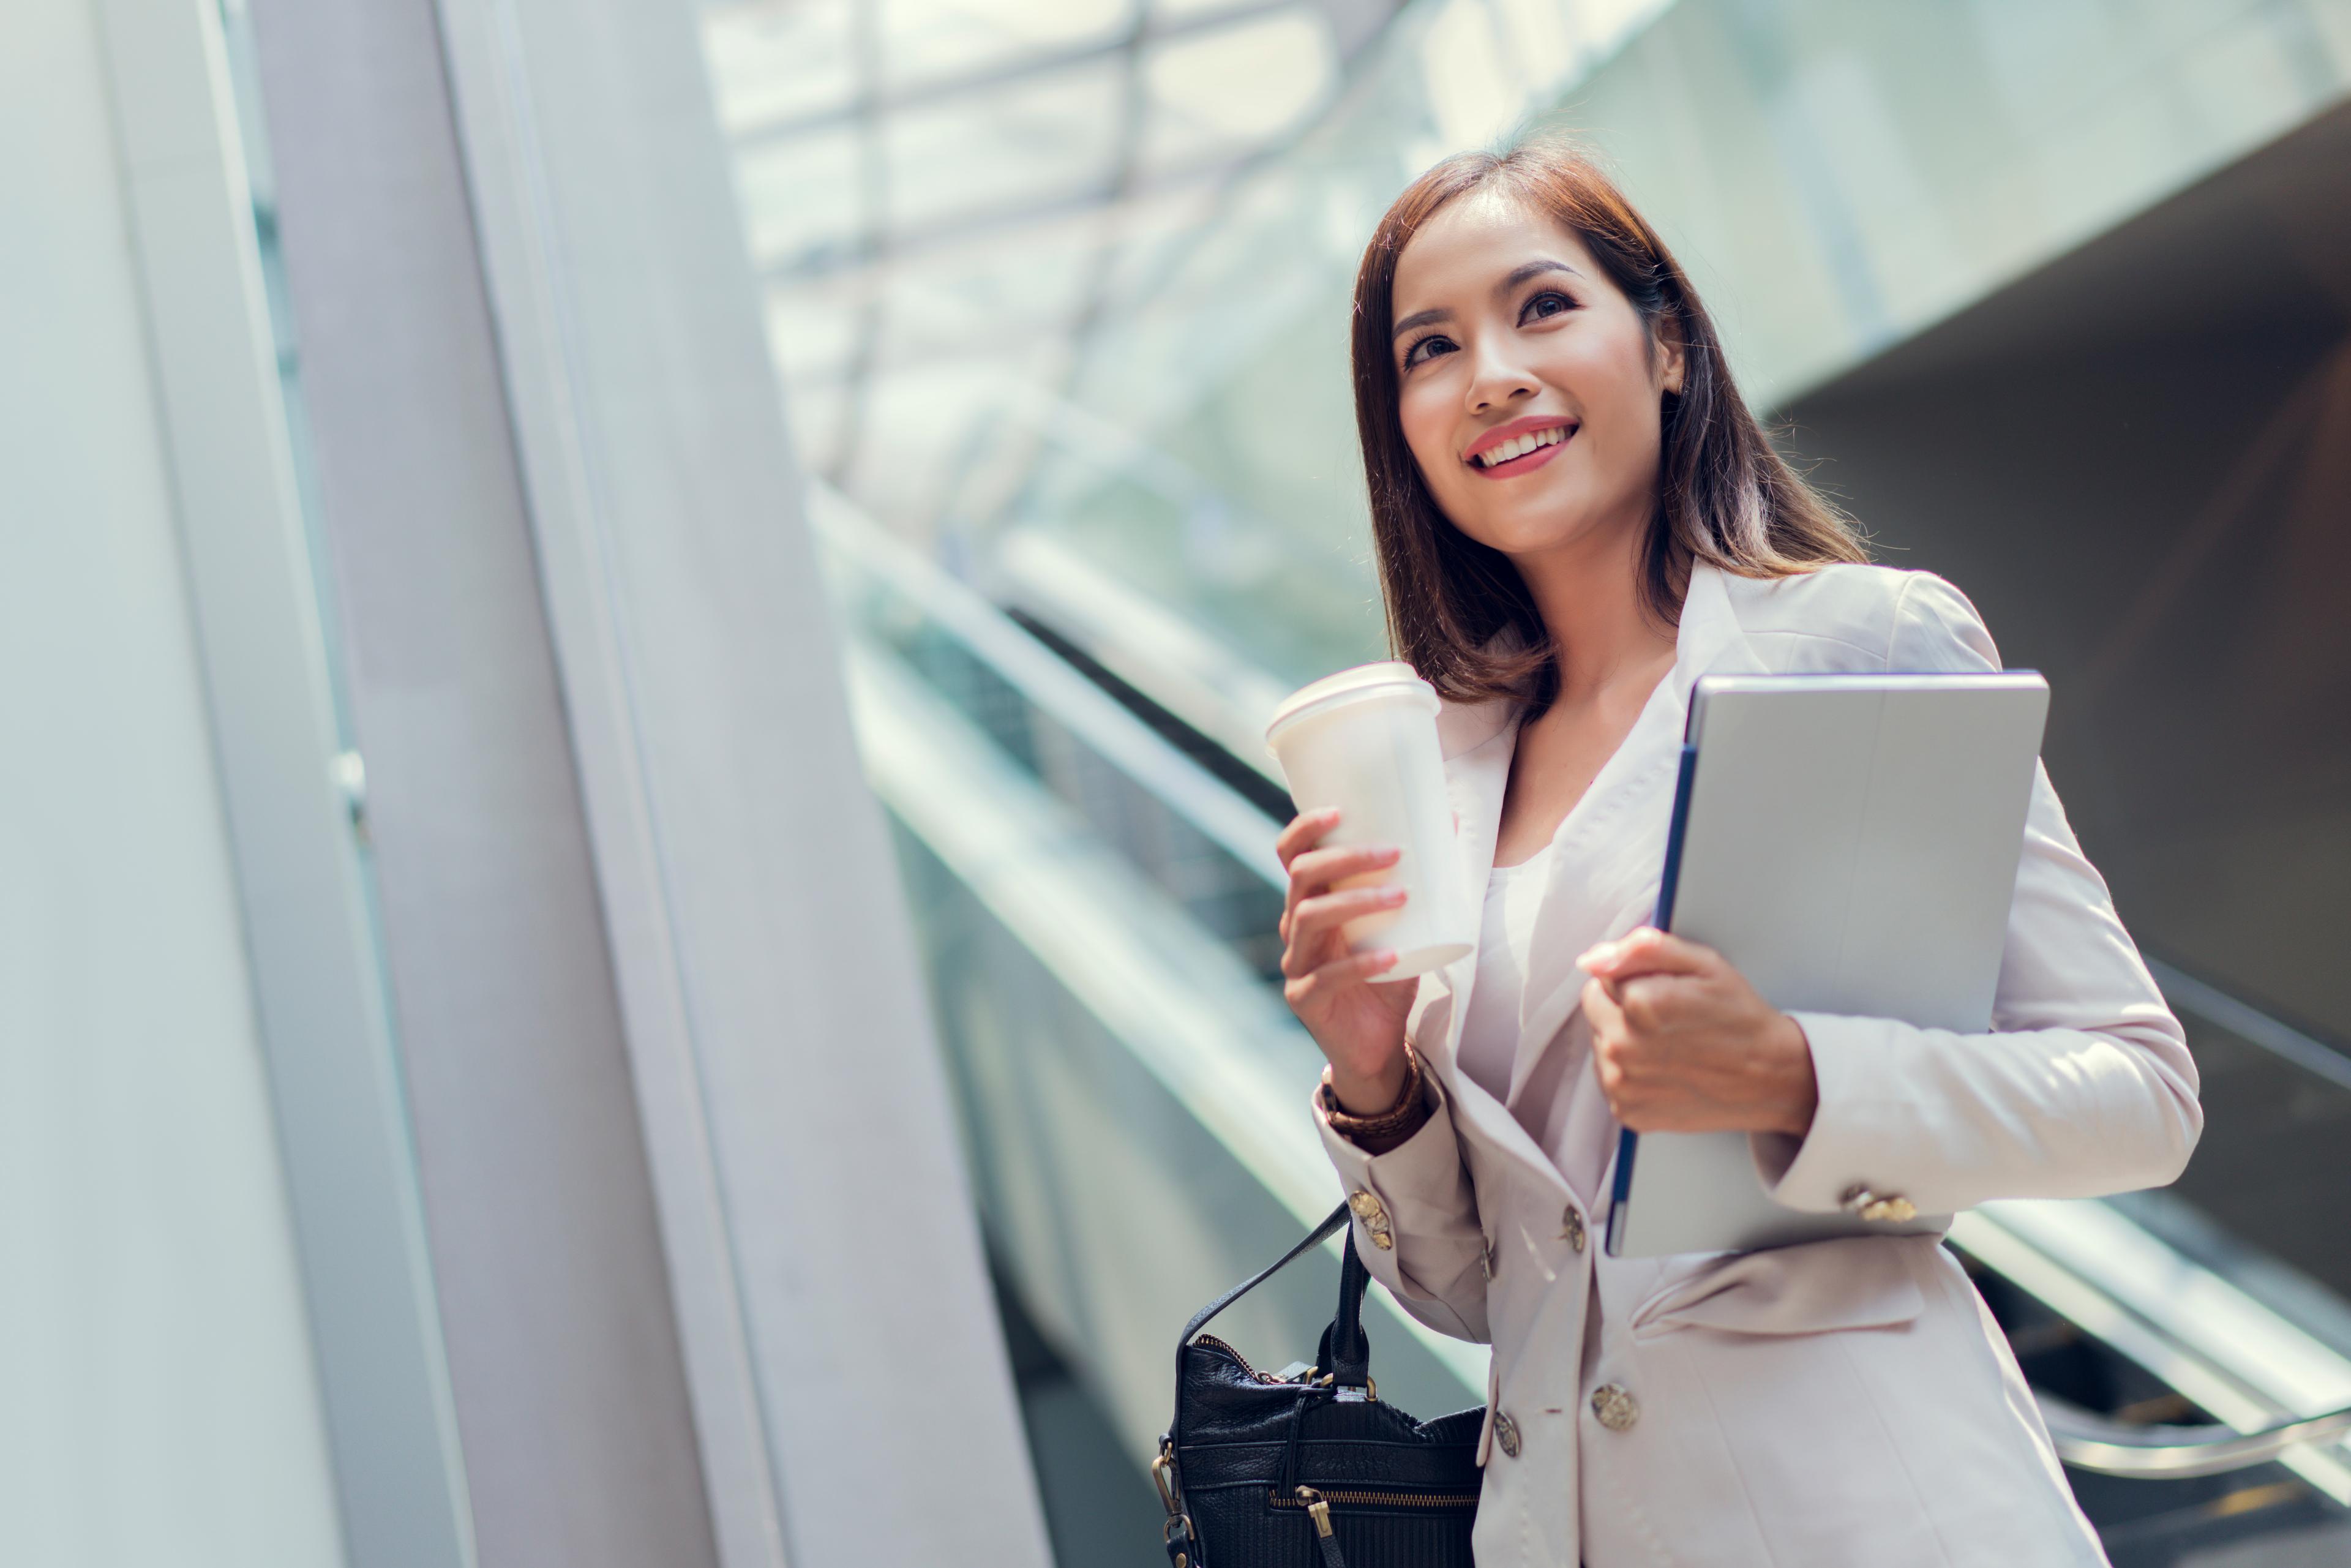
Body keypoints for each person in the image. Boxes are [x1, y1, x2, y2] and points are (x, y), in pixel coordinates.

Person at [1273, 135, 2202, 1567]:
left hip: (1873, 1510)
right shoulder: (1433, 770)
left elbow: (2140, 1095)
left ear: (1665, 349)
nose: (1492, 376)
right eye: (1430, 349)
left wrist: (1792, 1075)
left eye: (1541, 308)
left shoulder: (1859, 644)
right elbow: (1481, 1299)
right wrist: (1373, 1077)